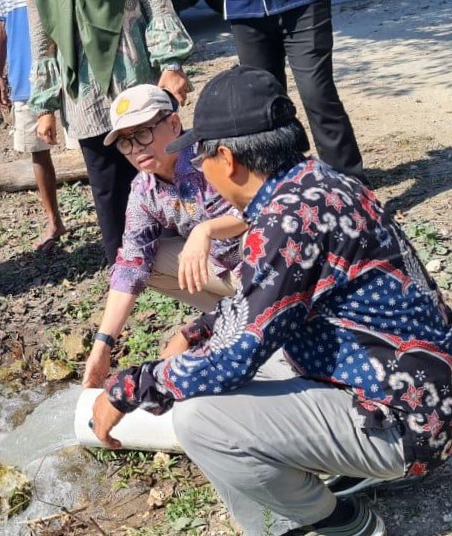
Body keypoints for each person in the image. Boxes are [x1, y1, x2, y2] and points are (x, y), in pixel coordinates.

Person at [90, 66, 452, 536]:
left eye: (201, 157)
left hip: (407, 422)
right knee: (218, 364)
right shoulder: (316, 181)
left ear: (228, 159)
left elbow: (235, 357)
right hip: (422, 388)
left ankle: (333, 523)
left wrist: (127, 389)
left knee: (201, 418)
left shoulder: (288, 221)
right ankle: (338, 471)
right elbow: (266, 304)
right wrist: (196, 330)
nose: (197, 167)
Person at [82, 84, 247, 389]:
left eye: (143, 133)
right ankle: (230, 315)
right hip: (225, 273)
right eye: (126, 143)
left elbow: (261, 207)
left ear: (173, 124)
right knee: (144, 262)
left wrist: (206, 230)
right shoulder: (144, 189)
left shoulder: (212, 155)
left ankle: (250, 314)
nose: (137, 149)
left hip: (269, 266)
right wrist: (102, 346)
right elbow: (131, 264)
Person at [27, 0, 195, 264]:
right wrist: (44, 106)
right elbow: (41, 37)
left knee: (167, 167)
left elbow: (158, 5)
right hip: (86, 94)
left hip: (135, 75)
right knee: (107, 189)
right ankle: (127, 267)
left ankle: (188, 253)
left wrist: (171, 64)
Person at [226, 0, 364, 180]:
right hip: (244, 10)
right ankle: (281, 184)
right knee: (263, 105)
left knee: (316, 93)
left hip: (303, 6)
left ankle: (349, 183)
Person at [0, 0, 75, 251]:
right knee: (38, 150)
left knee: (90, 142)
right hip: (26, 74)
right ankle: (54, 222)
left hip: (70, 66)